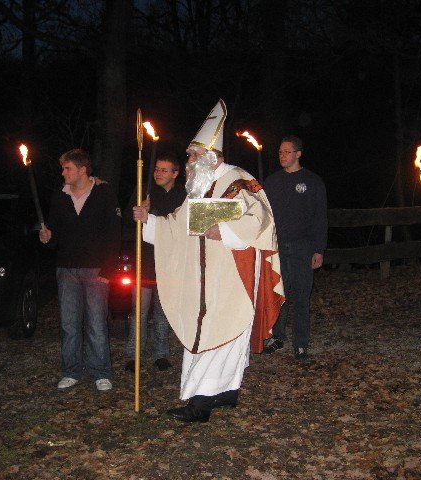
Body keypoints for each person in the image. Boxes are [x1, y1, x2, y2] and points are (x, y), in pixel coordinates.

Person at [133, 99, 284, 422]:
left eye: (192, 155)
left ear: (210, 157)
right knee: (212, 332)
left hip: (232, 276)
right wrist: (149, 221)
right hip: (203, 278)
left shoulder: (239, 180)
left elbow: (261, 217)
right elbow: (177, 225)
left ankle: (200, 404)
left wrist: (225, 230)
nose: (188, 161)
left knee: (219, 333)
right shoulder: (198, 188)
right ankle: (227, 392)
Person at [39, 148, 121, 392]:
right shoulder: (59, 196)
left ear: (82, 170)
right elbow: (54, 235)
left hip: (97, 269)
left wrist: (108, 268)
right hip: (67, 269)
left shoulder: (104, 193)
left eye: (68, 168)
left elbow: (114, 232)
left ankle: (101, 372)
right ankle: (71, 371)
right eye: (63, 168)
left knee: (96, 323)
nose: (63, 173)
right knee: (69, 324)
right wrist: (47, 238)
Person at [262, 135, 327, 360]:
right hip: (277, 246)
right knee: (278, 294)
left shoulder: (313, 181)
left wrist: (318, 249)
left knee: (301, 296)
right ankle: (277, 337)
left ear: (298, 154)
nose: (282, 156)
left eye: (287, 152)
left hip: (303, 247)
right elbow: (263, 214)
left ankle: (300, 342)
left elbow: (320, 218)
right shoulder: (271, 182)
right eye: (280, 152)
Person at [124, 154, 186, 372]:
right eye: (157, 169)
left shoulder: (183, 196)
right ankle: (134, 355)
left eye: (164, 170)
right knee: (139, 311)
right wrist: (138, 211)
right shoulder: (144, 191)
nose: (158, 173)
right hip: (145, 261)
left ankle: (161, 354)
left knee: (163, 312)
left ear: (175, 174)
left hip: (169, 263)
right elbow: (126, 219)